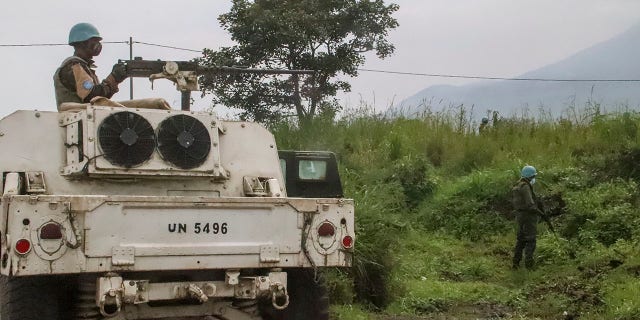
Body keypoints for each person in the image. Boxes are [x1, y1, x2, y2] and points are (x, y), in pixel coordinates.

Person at [53, 23, 127, 108]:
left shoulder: (83, 67)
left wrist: (115, 81)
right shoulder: (74, 66)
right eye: (94, 41)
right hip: (78, 117)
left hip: (87, 117)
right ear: (82, 43)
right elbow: (91, 97)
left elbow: (99, 100)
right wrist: (113, 78)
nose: (98, 44)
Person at [511, 165, 545, 269]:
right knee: (531, 240)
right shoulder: (525, 187)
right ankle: (529, 265)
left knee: (521, 240)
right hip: (528, 217)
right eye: (533, 176)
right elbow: (530, 204)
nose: (534, 178)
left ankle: (515, 263)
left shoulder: (518, 186)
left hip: (520, 216)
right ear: (530, 177)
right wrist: (540, 213)